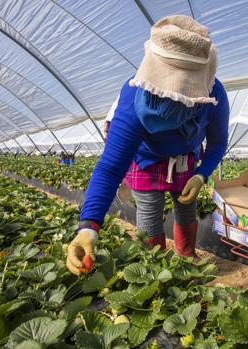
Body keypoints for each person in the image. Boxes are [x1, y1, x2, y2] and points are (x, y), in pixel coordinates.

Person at [66, 15, 229, 275]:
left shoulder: (214, 94)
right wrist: (88, 225)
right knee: (150, 211)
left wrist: (201, 174)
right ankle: (154, 267)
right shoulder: (133, 97)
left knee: (186, 206)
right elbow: (110, 168)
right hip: (146, 159)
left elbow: (219, 142)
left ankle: (186, 256)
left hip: (186, 159)